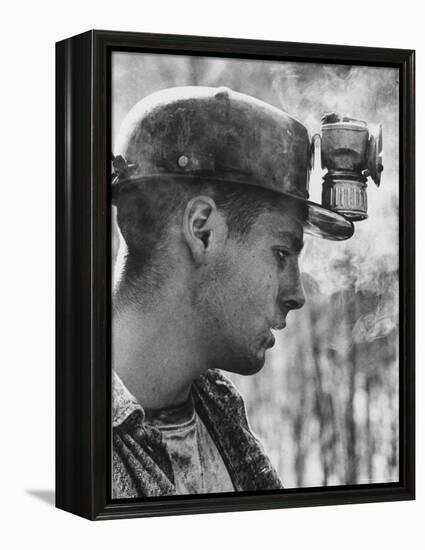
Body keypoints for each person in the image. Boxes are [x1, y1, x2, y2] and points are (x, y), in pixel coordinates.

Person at [111, 86, 354, 498]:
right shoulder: (56, 430)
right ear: (202, 229)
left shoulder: (222, 416)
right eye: (281, 253)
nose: (297, 294)